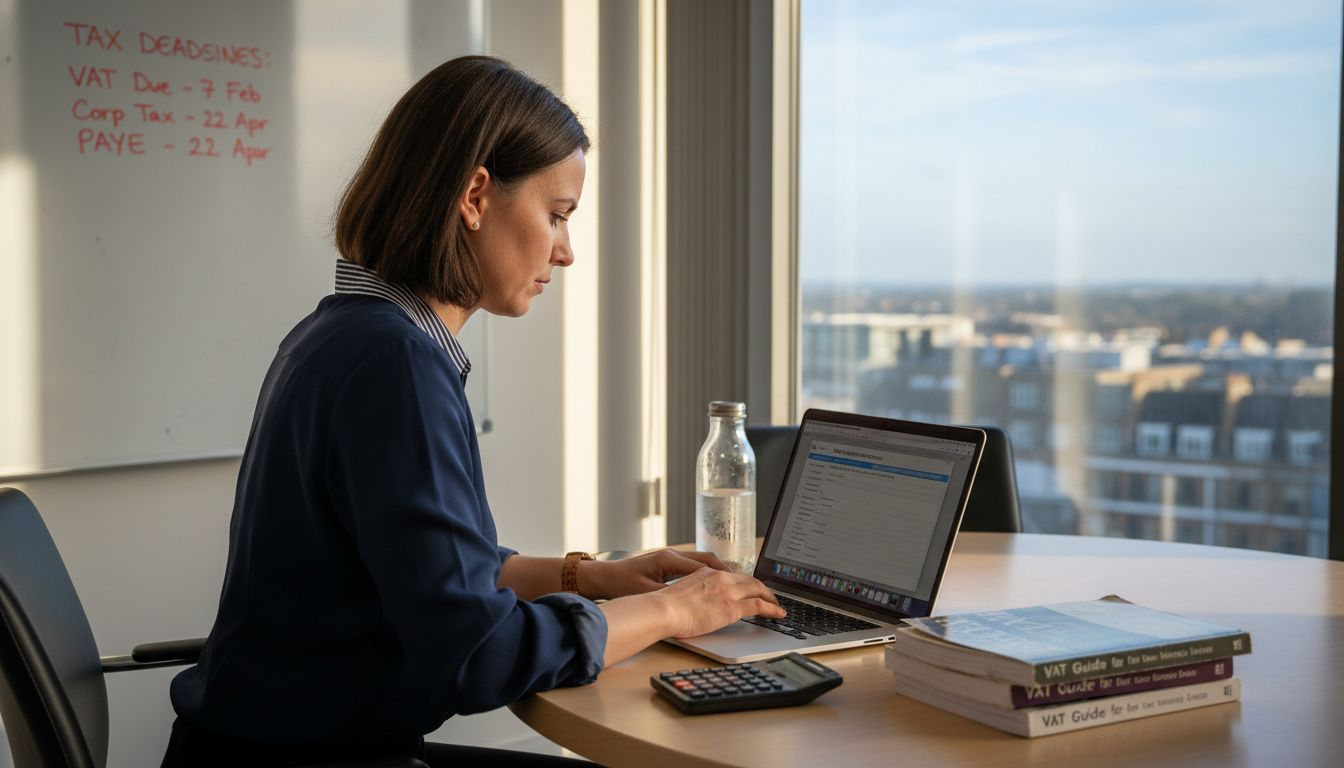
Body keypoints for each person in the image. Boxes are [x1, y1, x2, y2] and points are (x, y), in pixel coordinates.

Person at [161, 55, 785, 767]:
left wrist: (593, 576)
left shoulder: (344, 332)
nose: (567, 250)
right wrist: (676, 610)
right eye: (556, 215)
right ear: (476, 195)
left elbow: (437, 571)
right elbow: (478, 654)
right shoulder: (394, 366)